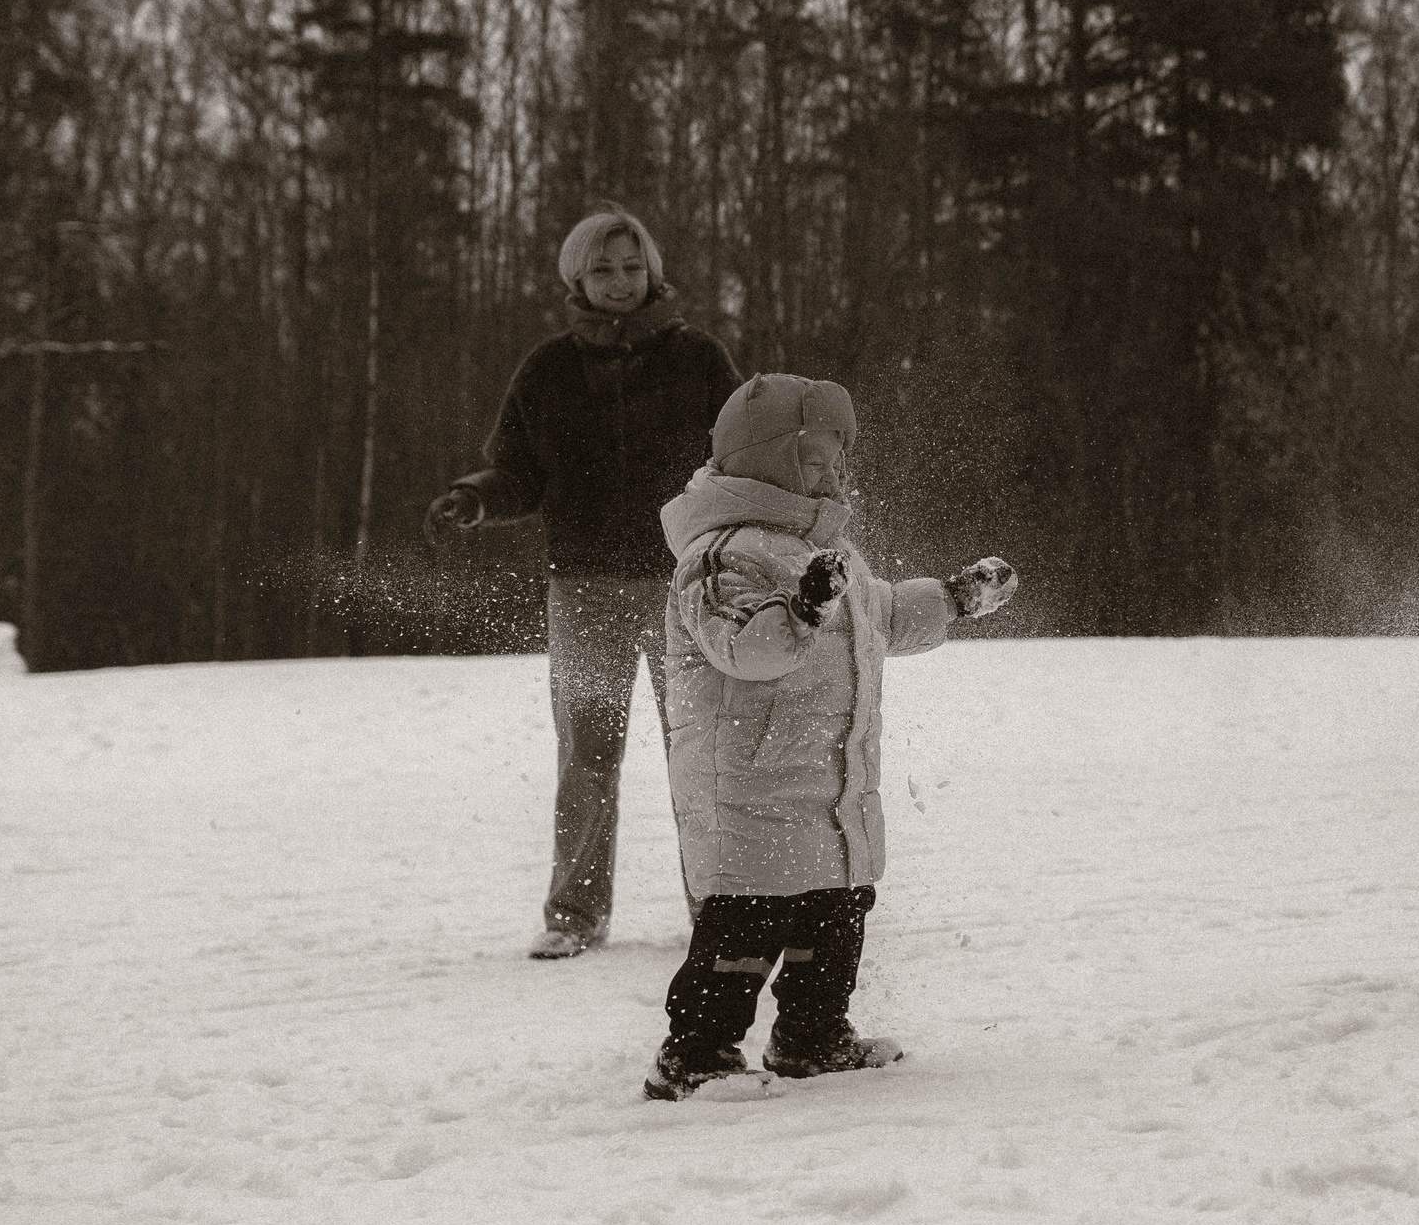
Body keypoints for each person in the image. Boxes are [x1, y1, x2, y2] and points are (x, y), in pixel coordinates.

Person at [642, 373, 1019, 1099]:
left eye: (839, 456)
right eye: (815, 457)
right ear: (764, 459)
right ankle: (696, 1052)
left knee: (837, 915)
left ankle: (813, 1036)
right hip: (747, 795)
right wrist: (804, 607)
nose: (834, 472)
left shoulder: (830, 552)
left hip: (829, 792)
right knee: (743, 933)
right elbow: (746, 648)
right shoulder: (720, 555)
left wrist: (950, 598)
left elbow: (875, 617)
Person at [425, 205, 740, 960]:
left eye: (632, 267)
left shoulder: (698, 358)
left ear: (653, 271)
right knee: (587, 755)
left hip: (685, 588)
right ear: (577, 277)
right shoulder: (547, 370)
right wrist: (473, 498)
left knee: (698, 752)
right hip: (585, 588)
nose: (621, 282)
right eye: (603, 269)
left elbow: (741, 452)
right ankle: (574, 915)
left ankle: (723, 904)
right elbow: (517, 471)